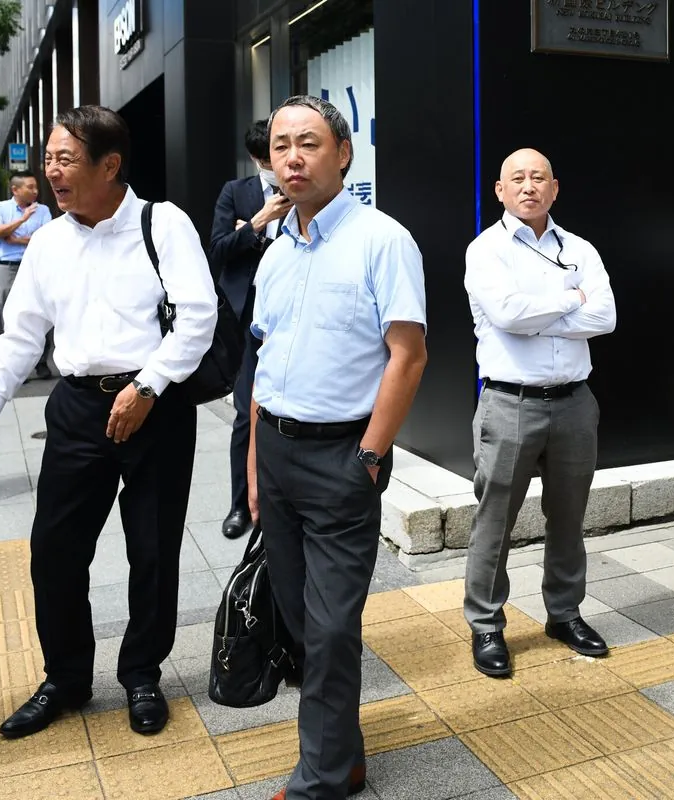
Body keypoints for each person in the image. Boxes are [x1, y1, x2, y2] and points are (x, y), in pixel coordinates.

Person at [0, 105, 216, 739]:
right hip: (77, 408)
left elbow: (198, 316)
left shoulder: (164, 223)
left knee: (152, 548)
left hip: (155, 404)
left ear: (111, 165)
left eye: (65, 159)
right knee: (55, 551)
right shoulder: (47, 240)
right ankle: (66, 679)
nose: (51, 171)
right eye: (48, 158)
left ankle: (142, 675)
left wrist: (149, 385)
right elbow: (21, 333)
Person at [247, 95, 427, 800]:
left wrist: (372, 457)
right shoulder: (277, 248)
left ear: (342, 153)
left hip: (343, 457)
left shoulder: (384, 240)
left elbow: (407, 356)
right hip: (277, 452)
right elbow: (263, 361)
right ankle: (344, 755)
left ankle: (321, 778)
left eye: (309, 143)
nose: (292, 157)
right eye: (281, 145)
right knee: (297, 619)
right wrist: (254, 464)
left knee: (328, 628)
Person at [463, 148, 616, 677]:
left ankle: (564, 613)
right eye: (517, 179)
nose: (529, 186)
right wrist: (571, 298)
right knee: (494, 521)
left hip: (575, 402)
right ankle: (486, 624)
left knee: (569, 518)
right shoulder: (486, 250)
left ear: (555, 188)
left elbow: (607, 316)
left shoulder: (580, 248)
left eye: (539, 178)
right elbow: (506, 314)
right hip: (510, 403)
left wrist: (543, 311)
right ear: (500, 191)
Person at [209, 120, 290, 540]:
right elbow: (219, 249)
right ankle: (241, 503)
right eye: (272, 156)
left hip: (295, 313)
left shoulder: (305, 188)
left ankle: (283, 499)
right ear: (260, 159)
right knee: (247, 413)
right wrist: (257, 222)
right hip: (247, 316)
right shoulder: (236, 193)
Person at [0, 170, 53, 380]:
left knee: (43, 313)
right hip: (8, 267)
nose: (35, 191)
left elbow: (45, 238)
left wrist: (15, 239)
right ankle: (16, 368)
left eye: (36, 187)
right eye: (30, 187)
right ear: (15, 189)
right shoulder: (0, 208)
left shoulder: (43, 210)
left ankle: (41, 362)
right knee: (11, 316)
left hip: (37, 266)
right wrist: (22, 220)